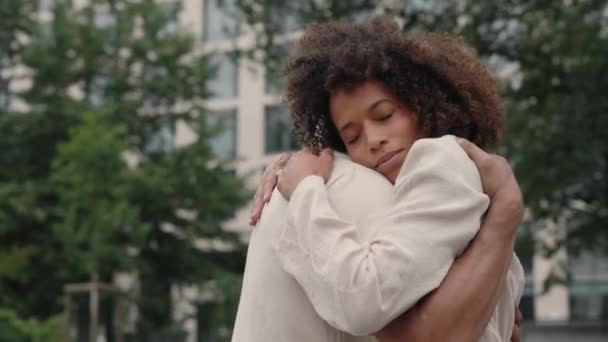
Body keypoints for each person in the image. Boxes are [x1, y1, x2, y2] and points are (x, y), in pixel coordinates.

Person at [237, 17, 524, 342]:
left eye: (385, 115)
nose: (373, 140)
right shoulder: (404, 192)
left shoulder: (440, 161)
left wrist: (306, 191)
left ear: (425, 103)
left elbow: (367, 299)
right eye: (352, 137)